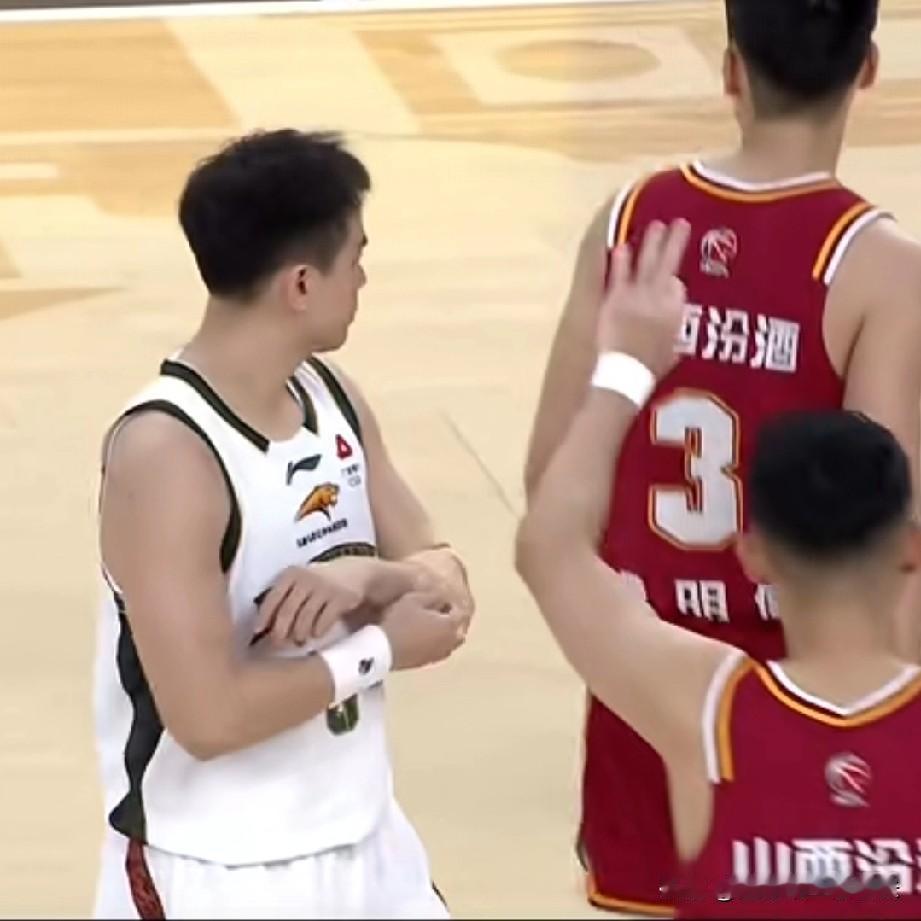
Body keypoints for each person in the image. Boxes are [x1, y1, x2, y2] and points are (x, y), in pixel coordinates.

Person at [522, 0, 921, 912]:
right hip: (800, 701)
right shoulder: (878, 265)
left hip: (645, 679)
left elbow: (551, 476)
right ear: (867, 67)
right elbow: (883, 535)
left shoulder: (629, 222)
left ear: (730, 68)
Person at [92, 129, 475, 919]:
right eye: (355, 257)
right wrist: (378, 648)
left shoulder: (331, 397)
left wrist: (371, 574)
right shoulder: (167, 454)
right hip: (222, 869)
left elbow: (445, 590)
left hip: (369, 837)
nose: (363, 278)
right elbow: (207, 716)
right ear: (301, 283)